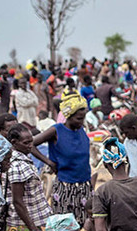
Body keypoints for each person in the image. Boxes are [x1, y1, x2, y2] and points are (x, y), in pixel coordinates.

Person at [30, 90, 92, 224]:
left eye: (83, 118)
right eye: (79, 118)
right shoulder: (56, 130)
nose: (82, 121)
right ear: (69, 116)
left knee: (81, 225)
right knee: (64, 226)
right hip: (65, 186)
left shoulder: (80, 130)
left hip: (84, 186)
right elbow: (30, 144)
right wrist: (48, 162)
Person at [3, 123, 51, 231]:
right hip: (25, 225)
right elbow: (17, 201)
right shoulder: (17, 165)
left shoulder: (24, 158)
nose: (31, 145)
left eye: (31, 141)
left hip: (33, 221)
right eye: (26, 143)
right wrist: (33, 229)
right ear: (14, 142)